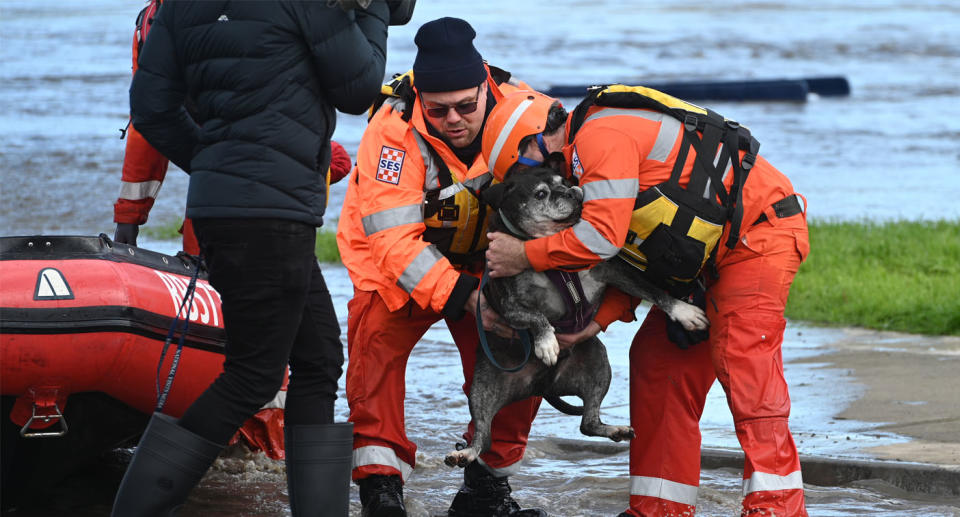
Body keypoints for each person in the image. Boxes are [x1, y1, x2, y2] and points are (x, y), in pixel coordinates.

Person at [112, 1, 407, 515]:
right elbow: (359, 89)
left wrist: (213, 164)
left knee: (318, 360)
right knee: (253, 375)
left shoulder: (181, 7)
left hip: (223, 211)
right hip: (274, 214)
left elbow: (151, 104)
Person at [481, 89, 810, 516]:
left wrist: (524, 255)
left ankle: (777, 508)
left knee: (744, 361)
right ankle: (658, 510)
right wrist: (591, 325)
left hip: (758, 237)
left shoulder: (600, 136)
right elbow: (622, 260)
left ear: (533, 142)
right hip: (707, 255)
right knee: (658, 362)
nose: (535, 179)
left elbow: (602, 239)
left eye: (524, 168)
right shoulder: (587, 153)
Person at [336, 17, 547, 517]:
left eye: (466, 107)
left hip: (486, 255)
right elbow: (393, 242)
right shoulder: (392, 131)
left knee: (522, 352)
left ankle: (485, 488)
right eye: (438, 110)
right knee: (375, 356)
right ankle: (381, 488)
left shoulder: (528, 118)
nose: (453, 119)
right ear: (420, 101)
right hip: (393, 257)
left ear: (486, 88)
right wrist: (468, 301)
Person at [111, 0, 355, 255]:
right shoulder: (150, 25)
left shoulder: (256, 16)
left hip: (261, 160)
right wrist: (129, 215)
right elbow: (148, 126)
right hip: (219, 167)